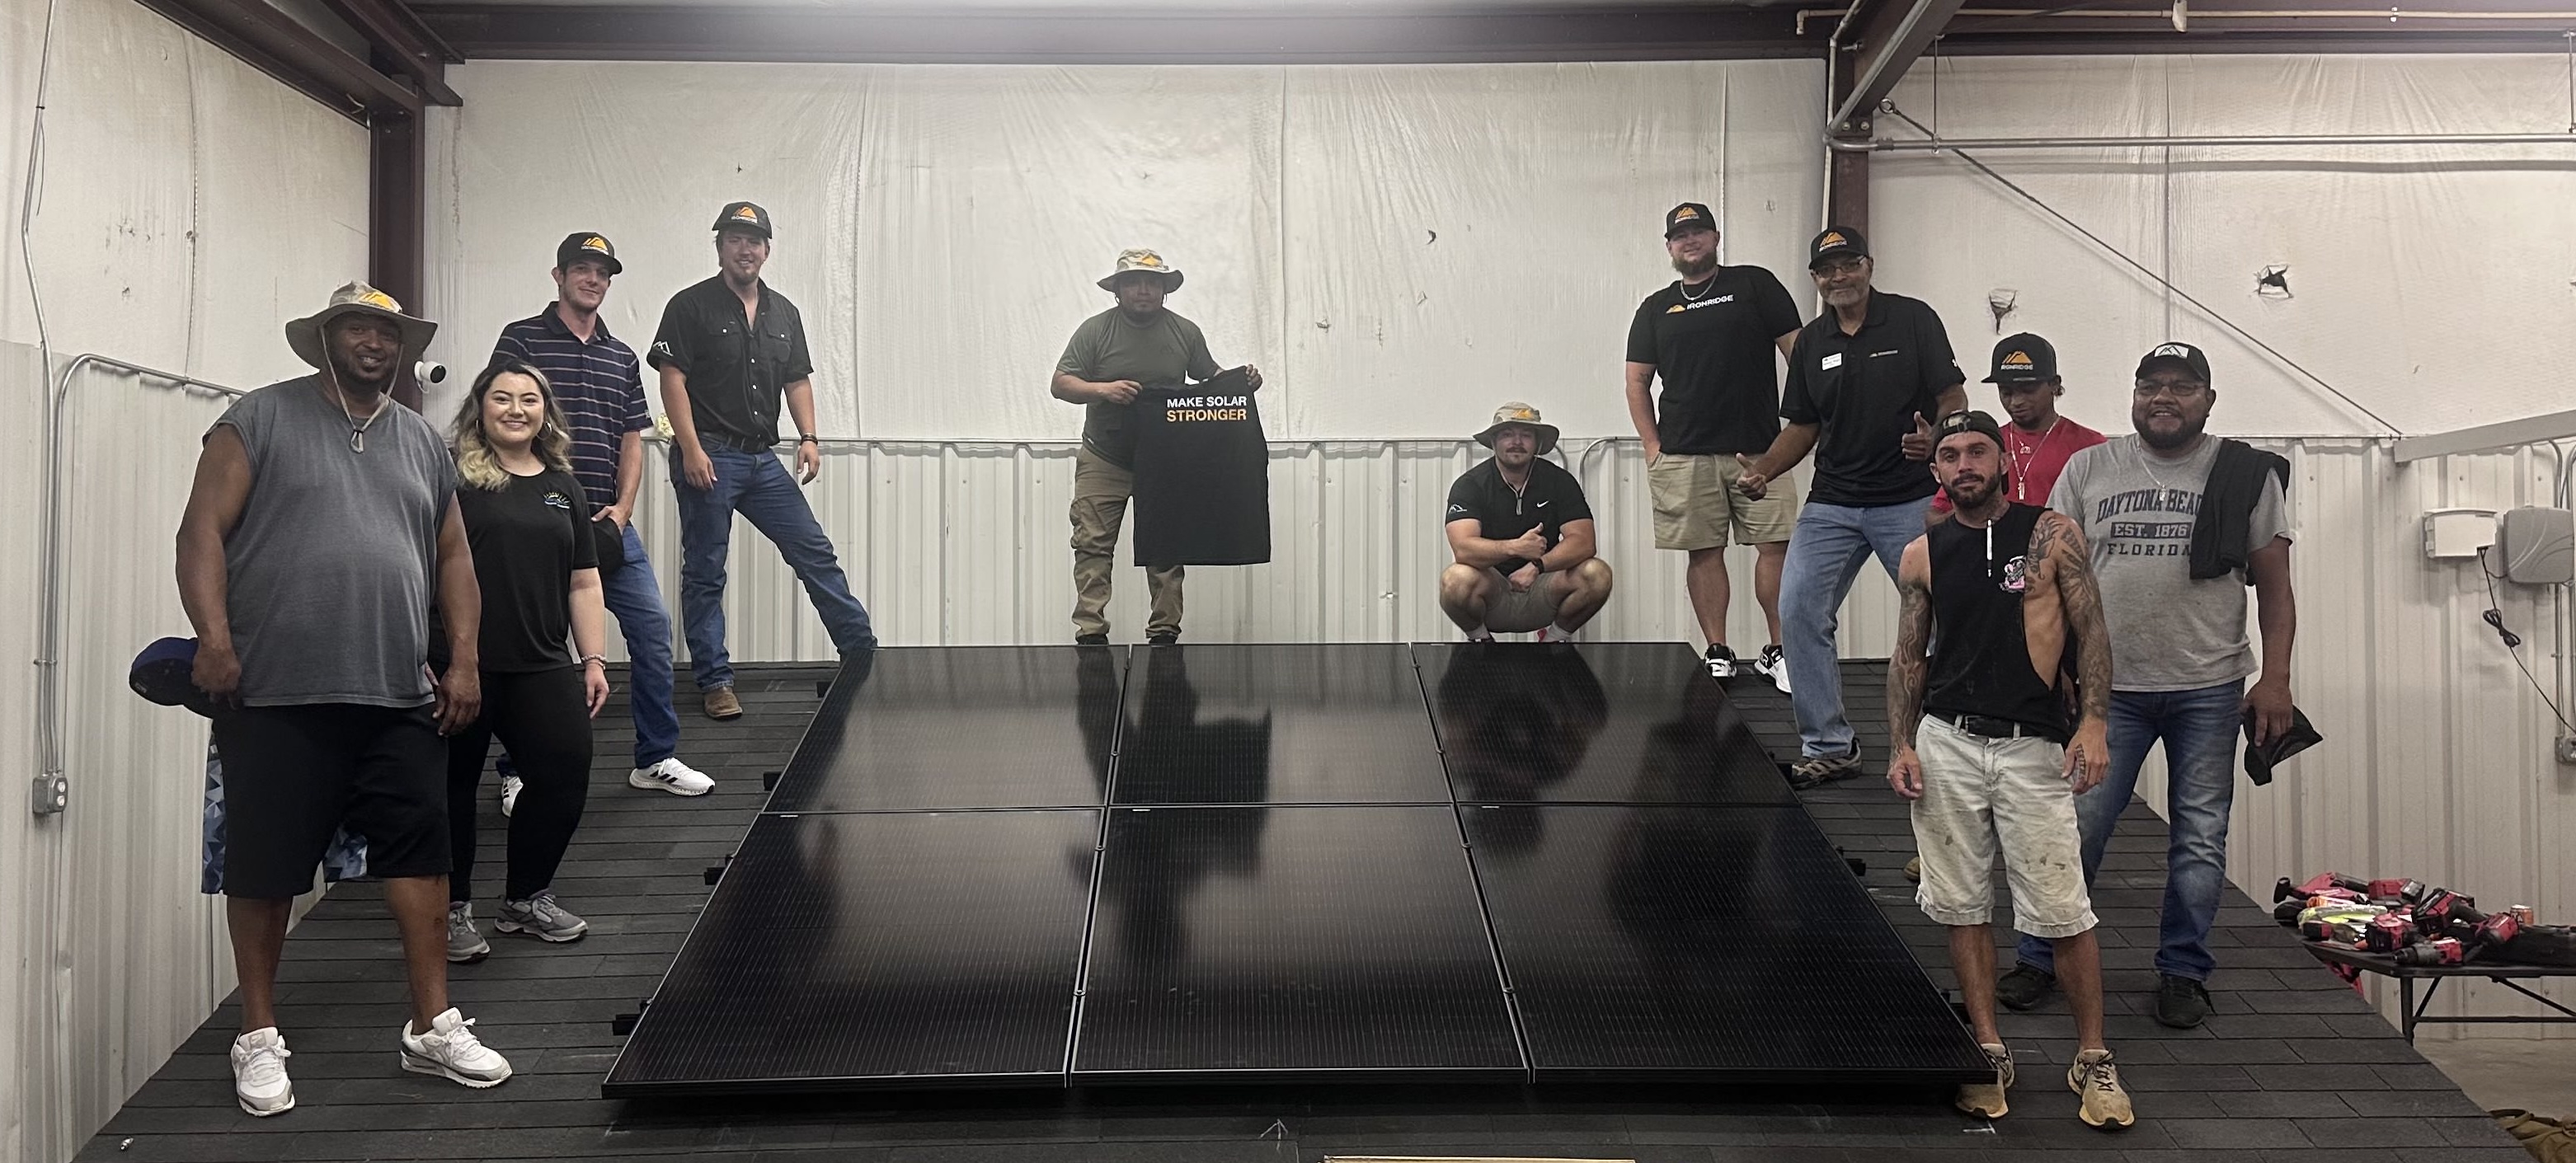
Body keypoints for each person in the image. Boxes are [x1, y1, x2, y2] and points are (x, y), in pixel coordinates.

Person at [176, 283, 511, 1117]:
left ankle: (431, 1024)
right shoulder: (257, 419)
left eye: (387, 331)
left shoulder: (424, 443)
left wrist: (464, 660)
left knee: (421, 857)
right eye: (357, 326)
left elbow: (455, 561)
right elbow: (199, 533)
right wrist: (214, 640)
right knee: (265, 866)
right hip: (277, 691)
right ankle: (257, 1035)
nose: (374, 340)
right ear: (326, 338)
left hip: (398, 691)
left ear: (401, 347)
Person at [2000, 342, 2297, 1029]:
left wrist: (2275, 679)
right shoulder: (2088, 467)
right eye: (2149, 385)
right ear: (2132, 394)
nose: (2164, 397)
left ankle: (2183, 971)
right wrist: (2055, 673)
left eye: (2182, 386)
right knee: (2079, 826)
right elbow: (2045, 584)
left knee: (2199, 837)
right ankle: (2039, 956)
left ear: (2209, 400)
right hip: (2109, 692)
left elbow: (2277, 593)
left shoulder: (2245, 474)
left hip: (2210, 684)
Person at [1887, 410, 2132, 1131]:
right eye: (1950, 454)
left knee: (2062, 908)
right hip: (1948, 742)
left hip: (2032, 745)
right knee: (1962, 903)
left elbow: (2091, 631)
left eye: (1977, 451)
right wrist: (1901, 742)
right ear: (1936, 470)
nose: (1964, 464)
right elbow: (1909, 657)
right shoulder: (1921, 553)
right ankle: (1988, 1047)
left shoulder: (2052, 532)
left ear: (2001, 460)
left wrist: (2093, 721)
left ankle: (2093, 1056)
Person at [1735, 227, 1967, 785]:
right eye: (1826, 270)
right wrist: (1764, 469)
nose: (1839, 277)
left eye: (1848, 265)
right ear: (1816, 280)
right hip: (1833, 502)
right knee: (1796, 612)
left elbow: (1952, 395)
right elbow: (1805, 425)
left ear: (1869, 265)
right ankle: (1830, 745)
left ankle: (1948, 742)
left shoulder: (1913, 319)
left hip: (1909, 498)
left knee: (1945, 619)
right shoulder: (1813, 341)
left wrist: (1936, 437)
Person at [492, 232, 712, 797]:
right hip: (537, 522)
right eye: (582, 269)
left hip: (606, 524)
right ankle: (516, 772)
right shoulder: (521, 339)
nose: (593, 279)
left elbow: (631, 439)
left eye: (602, 272)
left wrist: (624, 510)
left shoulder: (621, 356)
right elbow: (497, 420)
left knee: (652, 631)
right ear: (559, 275)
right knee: (532, 648)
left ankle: (655, 757)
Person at [650, 202, 877, 720]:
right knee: (706, 572)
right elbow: (672, 378)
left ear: (767, 251)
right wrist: (690, 448)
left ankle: (862, 654)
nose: (745, 248)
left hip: (761, 459)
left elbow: (796, 378)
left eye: (755, 241)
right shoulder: (689, 306)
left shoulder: (785, 313)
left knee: (814, 551)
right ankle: (715, 681)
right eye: (735, 239)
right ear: (720, 247)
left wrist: (810, 437)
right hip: (709, 453)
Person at [439, 361, 612, 964]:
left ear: (545, 411)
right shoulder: (454, 478)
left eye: (530, 399)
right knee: (453, 787)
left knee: (566, 768)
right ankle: (452, 909)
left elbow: (584, 581)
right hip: (461, 664)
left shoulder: (562, 484)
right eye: (503, 398)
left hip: (541, 661)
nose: (517, 409)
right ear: (480, 408)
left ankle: (524, 898)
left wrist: (593, 658)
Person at [1623, 202, 1803, 687]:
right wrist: (1651, 446)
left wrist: (1800, 431)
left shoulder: (1754, 284)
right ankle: (1717, 651)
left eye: (1699, 232)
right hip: (1683, 454)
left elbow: (1800, 357)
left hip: (1762, 451)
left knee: (1775, 548)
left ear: (1716, 236)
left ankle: (1781, 652)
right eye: (1680, 236)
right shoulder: (1656, 307)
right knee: (1703, 552)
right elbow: (1637, 382)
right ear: (1669, 247)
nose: (1690, 241)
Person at [1052, 248, 1260, 645]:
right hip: (1104, 455)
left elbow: (1210, 379)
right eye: (1134, 283)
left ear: (1165, 290)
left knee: (1167, 543)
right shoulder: (1095, 331)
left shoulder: (1185, 332)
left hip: (1166, 459)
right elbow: (1061, 383)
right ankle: (1091, 631)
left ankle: (1165, 631)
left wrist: (1241, 380)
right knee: (1092, 542)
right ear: (1118, 291)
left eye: (1152, 283)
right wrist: (1102, 390)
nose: (1144, 290)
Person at [1439, 404, 1615, 640]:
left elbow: (1584, 543)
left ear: (1538, 443)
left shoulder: (1560, 481)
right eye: (1507, 434)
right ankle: (1482, 643)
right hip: (1493, 592)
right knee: (1455, 580)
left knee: (1597, 574)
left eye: (1526, 435)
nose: (1517, 442)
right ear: (1493, 441)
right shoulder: (1470, 485)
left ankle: (1553, 641)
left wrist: (1537, 565)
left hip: (1543, 588)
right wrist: (1514, 547)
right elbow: (1463, 550)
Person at [1930, 334, 2107, 519]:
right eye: (2006, 392)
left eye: (2028, 390)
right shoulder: (1984, 444)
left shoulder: (2090, 446)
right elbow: (1935, 515)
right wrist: (1974, 519)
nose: (2016, 401)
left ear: (2055, 384)